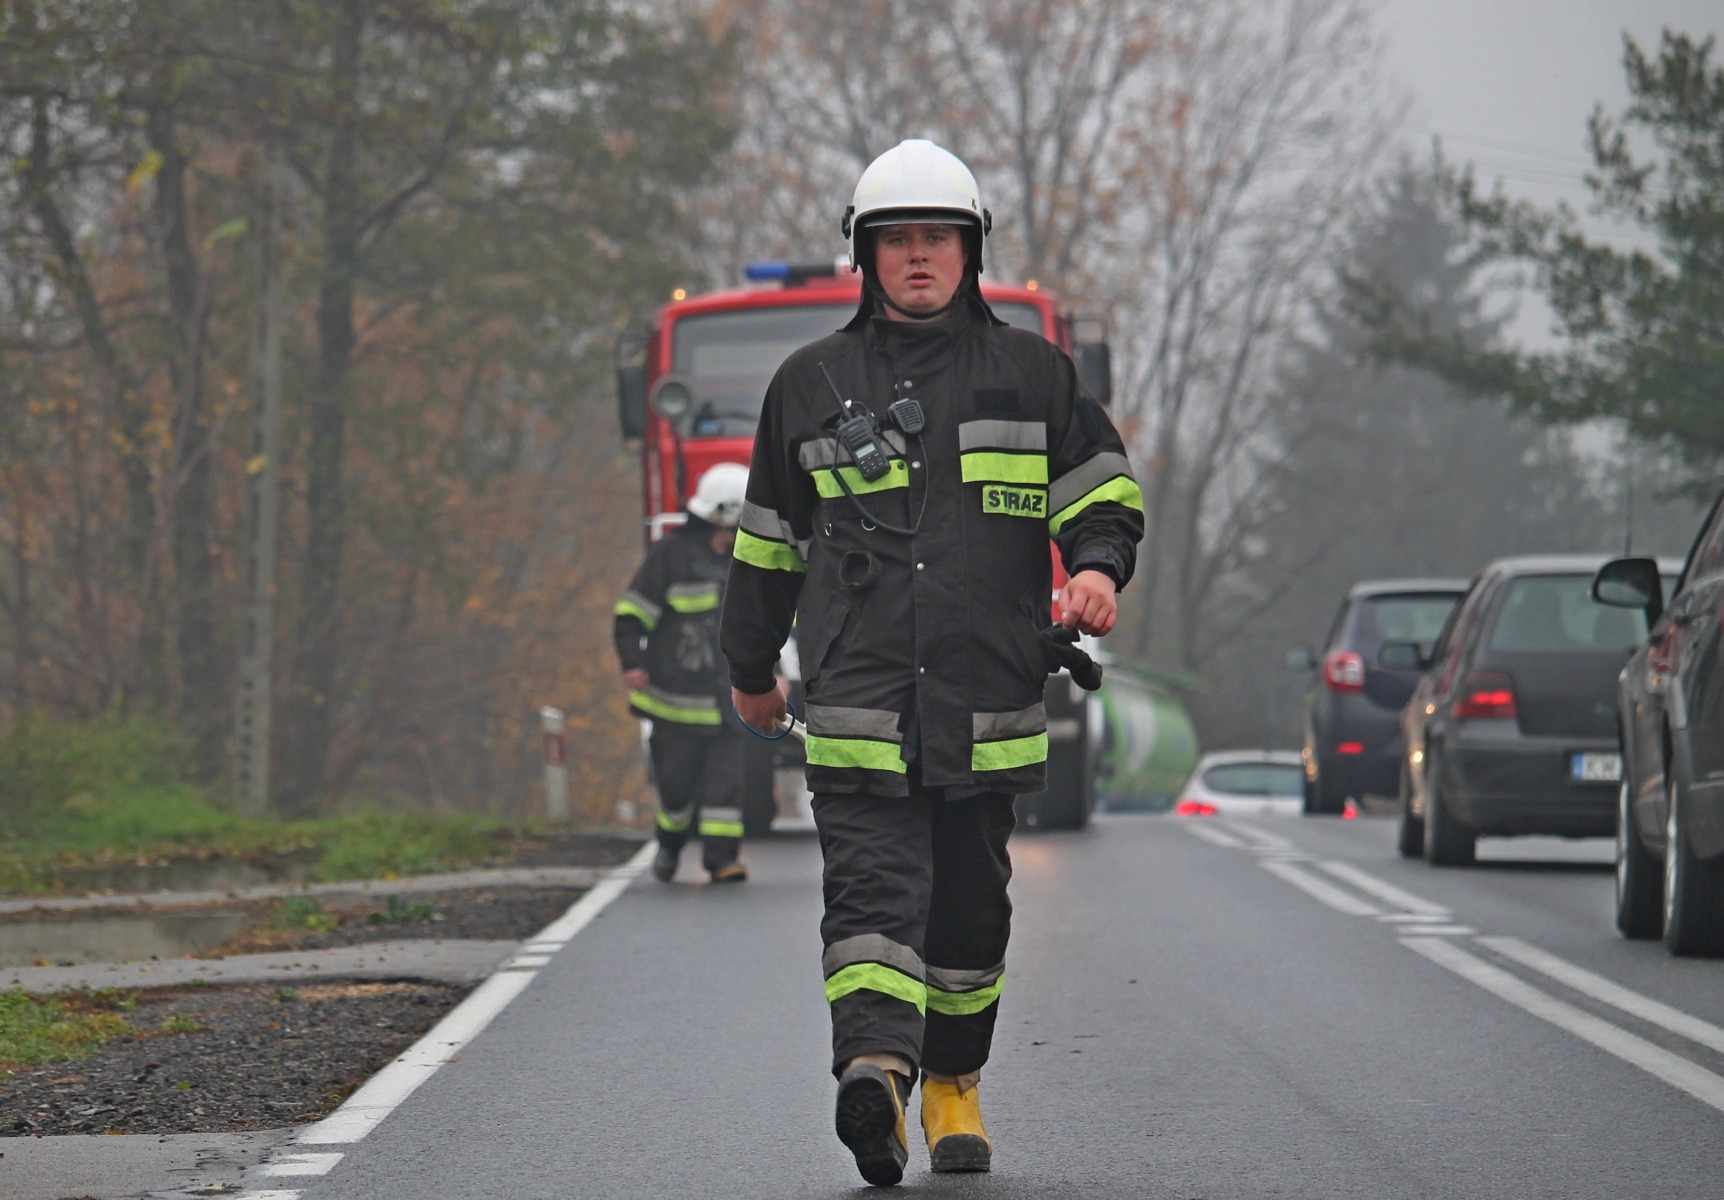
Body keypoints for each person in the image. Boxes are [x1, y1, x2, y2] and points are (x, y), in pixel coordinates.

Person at [720, 139, 1144, 1186]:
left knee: (968, 914)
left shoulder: (1034, 375)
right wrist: (751, 671)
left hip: (986, 703)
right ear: (864, 255)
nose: (918, 256)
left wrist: (1096, 569)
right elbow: (766, 547)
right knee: (870, 900)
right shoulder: (807, 384)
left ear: (970, 252)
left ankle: (952, 1083)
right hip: (858, 706)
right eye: (897, 239)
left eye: (937, 239)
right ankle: (876, 1072)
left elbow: (1101, 490)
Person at [614, 462, 753, 884]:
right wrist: (633, 663)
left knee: (725, 787)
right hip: (675, 704)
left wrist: (776, 672)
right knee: (675, 789)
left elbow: (762, 627)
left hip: (728, 702)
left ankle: (722, 860)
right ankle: (670, 842)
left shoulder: (746, 561)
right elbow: (631, 614)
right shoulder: (670, 556)